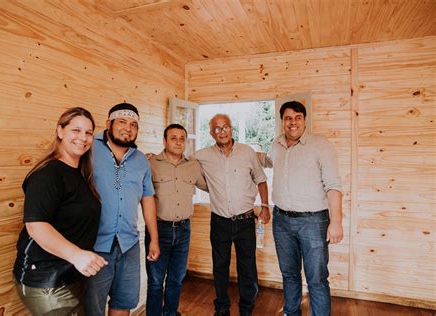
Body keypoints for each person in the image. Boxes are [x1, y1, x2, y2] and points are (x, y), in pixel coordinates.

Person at [13, 107, 108, 315]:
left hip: (70, 274)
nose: (83, 137)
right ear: (60, 131)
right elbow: (36, 226)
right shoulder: (48, 173)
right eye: (76, 130)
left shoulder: (80, 172)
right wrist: (77, 255)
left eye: (89, 132)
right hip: (46, 279)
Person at [261, 101, 343, 316]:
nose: (293, 122)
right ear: (282, 122)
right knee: (289, 274)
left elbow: (334, 186)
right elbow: (268, 162)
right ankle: (291, 312)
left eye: (297, 117)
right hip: (281, 220)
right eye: (288, 118)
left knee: (316, 277)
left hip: (313, 222)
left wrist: (336, 222)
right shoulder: (276, 144)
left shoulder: (321, 145)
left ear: (304, 120)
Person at [85, 102, 160, 316]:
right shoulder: (88, 149)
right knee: (93, 308)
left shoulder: (141, 161)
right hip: (95, 245)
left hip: (129, 244)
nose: (128, 128)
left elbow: (147, 199)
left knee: (123, 303)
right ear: (108, 123)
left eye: (134, 124)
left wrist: (153, 239)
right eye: (122, 122)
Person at [194, 114, 270, 316]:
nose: (222, 131)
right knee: (220, 267)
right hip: (219, 222)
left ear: (231, 129)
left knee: (247, 267)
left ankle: (247, 308)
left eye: (225, 127)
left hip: (245, 221)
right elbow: (180, 161)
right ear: (211, 133)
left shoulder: (247, 152)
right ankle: (222, 308)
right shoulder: (202, 155)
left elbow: (261, 180)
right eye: (217, 129)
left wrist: (265, 205)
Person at [146, 123, 208, 316]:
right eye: (173, 138)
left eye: (182, 138)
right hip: (158, 230)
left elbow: (211, 185)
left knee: (176, 278)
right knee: (156, 282)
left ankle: (170, 313)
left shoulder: (193, 166)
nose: (178, 142)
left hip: (183, 230)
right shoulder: (151, 163)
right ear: (164, 141)